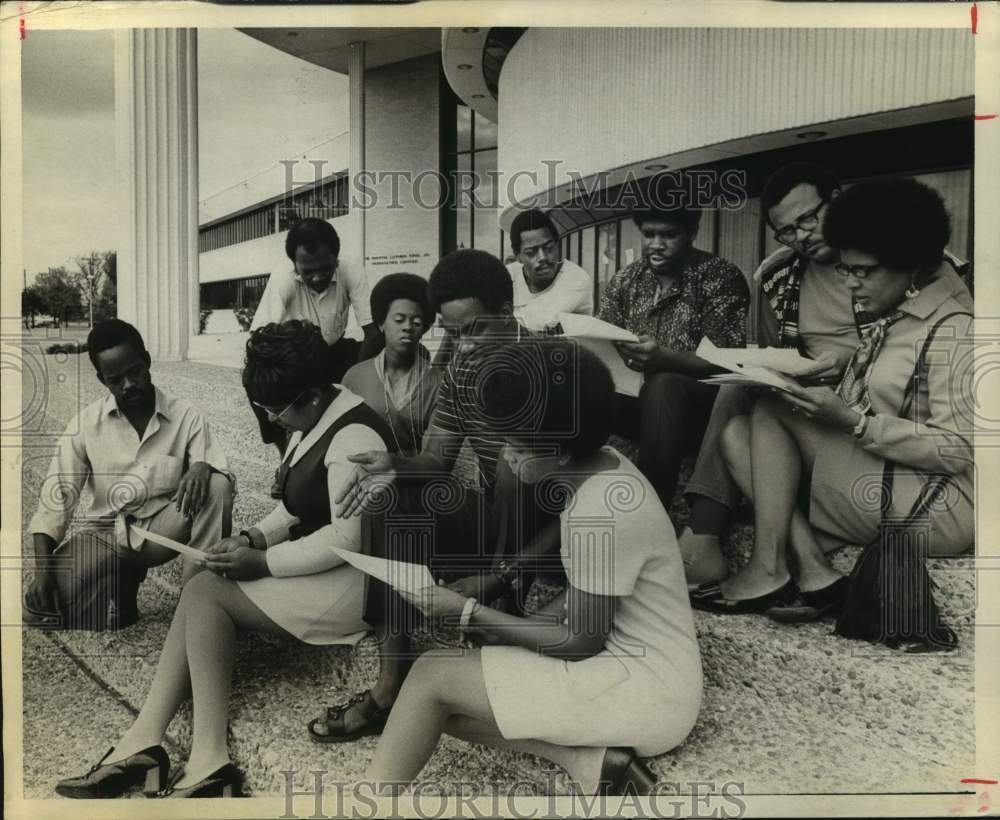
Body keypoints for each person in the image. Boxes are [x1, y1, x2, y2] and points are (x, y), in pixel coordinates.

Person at [54, 320, 395, 799]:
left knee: (206, 592)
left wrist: (264, 563)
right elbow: (297, 506)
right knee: (203, 586)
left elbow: (348, 537)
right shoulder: (318, 413)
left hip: (363, 586)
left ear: (314, 396)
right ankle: (154, 743)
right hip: (333, 568)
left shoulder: (354, 439)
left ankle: (190, 752)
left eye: (277, 410)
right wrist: (255, 535)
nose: (273, 420)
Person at [362, 340, 703, 796]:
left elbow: (579, 641)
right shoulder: (602, 467)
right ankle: (590, 760)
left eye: (518, 448)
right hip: (634, 665)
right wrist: (507, 621)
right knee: (449, 703)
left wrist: (468, 613)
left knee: (428, 677)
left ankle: (362, 805)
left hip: (649, 689)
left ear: (560, 451)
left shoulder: (602, 512)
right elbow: (590, 593)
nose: (505, 455)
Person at [306, 249, 562, 743]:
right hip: (495, 526)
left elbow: (583, 508)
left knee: (514, 465)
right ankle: (390, 680)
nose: (461, 348)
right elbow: (437, 460)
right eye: (451, 333)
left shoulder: (556, 373)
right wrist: (394, 465)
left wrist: (501, 574)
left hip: (552, 540)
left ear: (508, 317)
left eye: (475, 331)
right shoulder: (463, 371)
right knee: (390, 494)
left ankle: (506, 600)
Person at [691, 177, 974, 617]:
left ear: (911, 267)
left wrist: (854, 422)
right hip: (892, 470)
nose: (851, 285)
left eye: (863, 272)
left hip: (940, 505)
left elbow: (960, 449)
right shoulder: (898, 315)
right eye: (847, 270)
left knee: (766, 415)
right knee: (739, 429)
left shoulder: (956, 329)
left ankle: (775, 567)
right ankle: (811, 571)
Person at [24, 319, 234, 630]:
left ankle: (197, 602)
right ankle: (121, 585)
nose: (128, 385)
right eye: (115, 379)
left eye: (134, 372)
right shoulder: (85, 425)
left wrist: (203, 465)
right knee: (37, 611)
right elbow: (55, 501)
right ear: (101, 379)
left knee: (216, 486)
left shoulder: (186, 416)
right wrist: (43, 571)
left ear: (147, 362)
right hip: (107, 534)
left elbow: (223, 475)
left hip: (162, 532)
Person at [597, 199, 749, 558]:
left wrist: (666, 358)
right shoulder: (625, 280)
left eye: (669, 235)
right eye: (649, 234)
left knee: (665, 383)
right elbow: (601, 335)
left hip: (697, 408)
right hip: (636, 400)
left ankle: (647, 524)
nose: (656, 244)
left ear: (692, 233)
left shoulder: (718, 277)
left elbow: (728, 364)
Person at [249, 218, 382, 451]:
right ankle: (284, 451)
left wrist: (352, 382)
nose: (318, 277)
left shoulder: (351, 269)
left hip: (333, 349)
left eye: (325, 268)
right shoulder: (282, 278)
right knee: (256, 380)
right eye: (308, 271)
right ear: (294, 265)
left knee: (367, 354)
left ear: (336, 259)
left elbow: (373, 333)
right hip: (296, 355)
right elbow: (260, 341)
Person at [342, 272, 442, 456]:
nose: (408, 327)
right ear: (381, 324)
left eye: (417, 322)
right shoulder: (355, 377)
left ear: (425, 328)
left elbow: (437, 455)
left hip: (418, 476)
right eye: (398, 320)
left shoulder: (437, 382)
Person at [506, 208, 593, 331]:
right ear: (518, 256)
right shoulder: (507, 275)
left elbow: (536, 321)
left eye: (549, 248)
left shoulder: (576, 279)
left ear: (557, 245)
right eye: (531, 252)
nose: (542, 257)